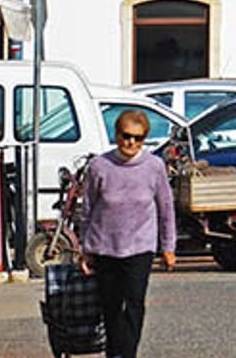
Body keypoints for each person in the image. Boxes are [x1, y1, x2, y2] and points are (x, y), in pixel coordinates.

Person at [79, 108, 176, 358]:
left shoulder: (154, 166)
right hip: (105, 246)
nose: (131, 142)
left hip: (140, 247)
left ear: (144, 139)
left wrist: (168, 247)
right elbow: (87, 209)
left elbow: (166, 208)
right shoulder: (99, 166)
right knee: (110, 307)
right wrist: (85, 249)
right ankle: (114, 353)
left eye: (138, 137)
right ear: (117, 134)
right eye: (126, 135)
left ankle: (127, 354)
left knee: (134, 304)